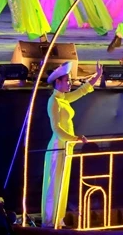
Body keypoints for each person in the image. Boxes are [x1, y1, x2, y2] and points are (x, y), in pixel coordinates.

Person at [42, 61, 103, 228]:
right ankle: (49, 221)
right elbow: (56, 128)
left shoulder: (63, 99)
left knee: (63, 184)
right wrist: (75, 138)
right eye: (67, 80)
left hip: (66, 146)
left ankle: (58, 220)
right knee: (54, 185)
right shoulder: (54, 101)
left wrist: (97, 76)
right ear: (58, 82)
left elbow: (82, 91)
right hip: (58, 146)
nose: (70, 83)